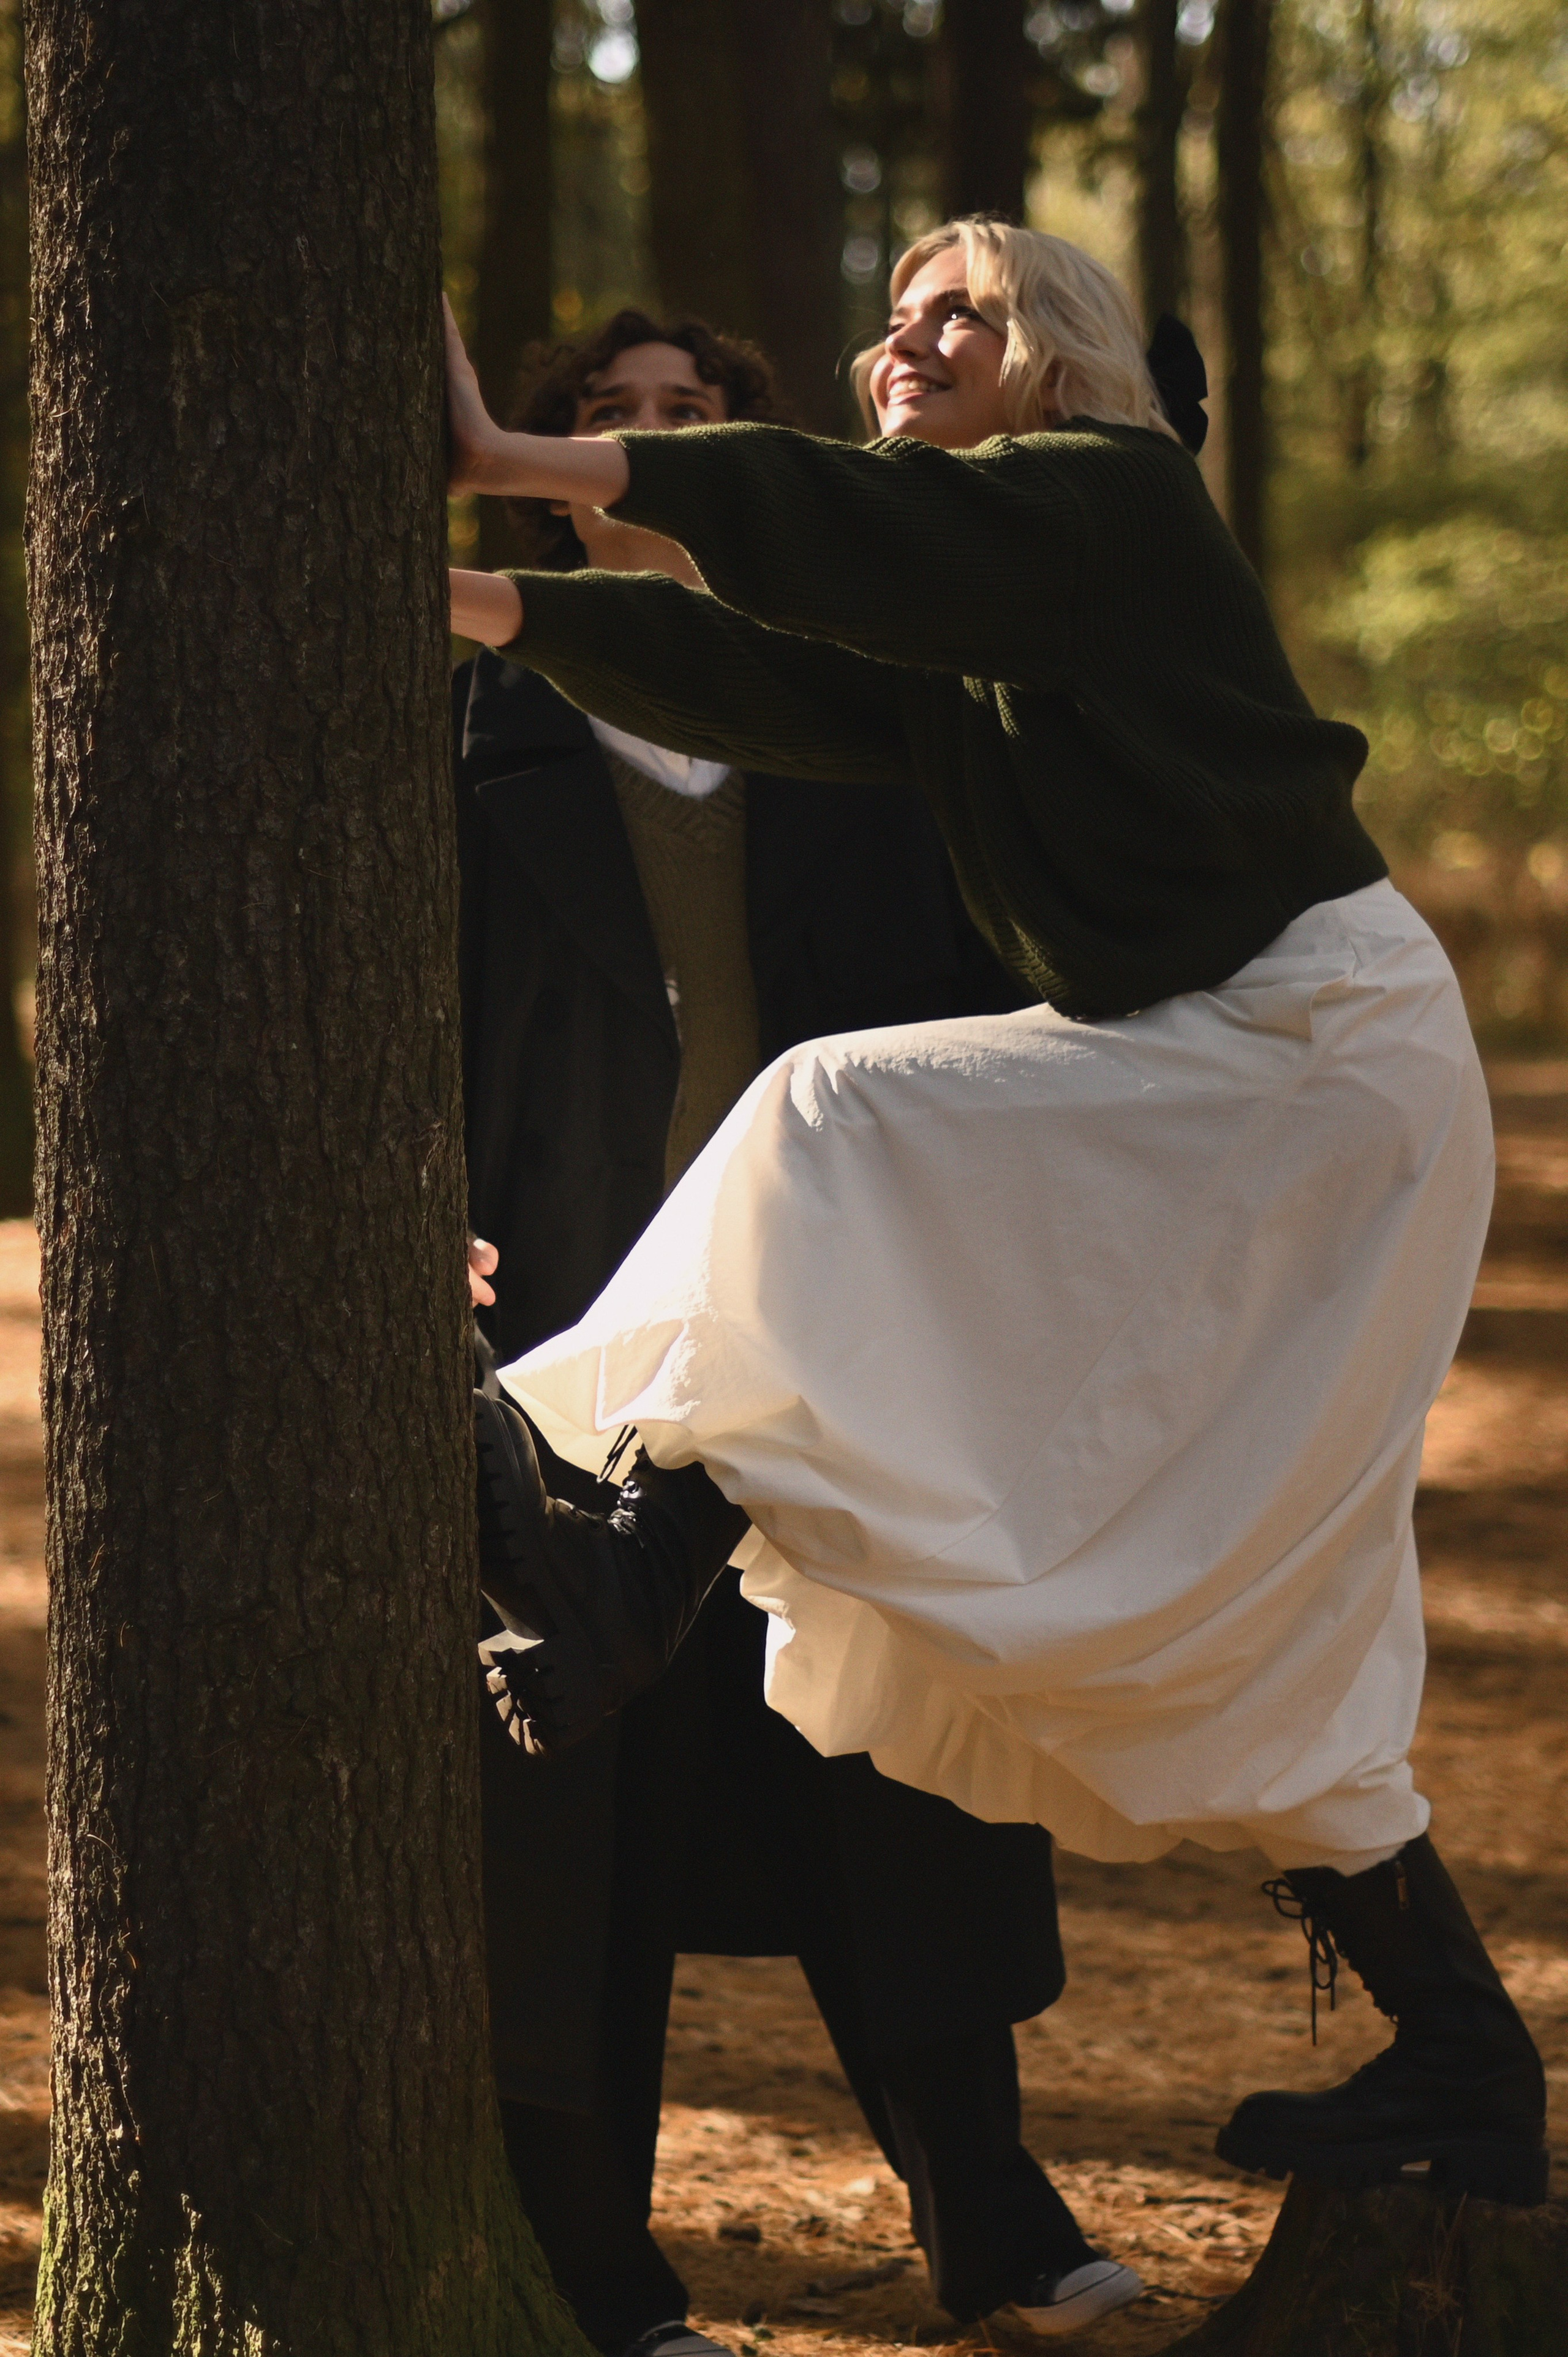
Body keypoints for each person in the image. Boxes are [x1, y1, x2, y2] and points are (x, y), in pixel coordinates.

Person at [445, 217, 1549, 2216]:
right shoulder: (963, 645)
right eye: (892, 318)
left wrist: (540, 466)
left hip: (1312, 1053)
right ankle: (1467, 2054)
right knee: (1273, 1583)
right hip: (1250, 1073)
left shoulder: (1110, 506)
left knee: (835, 1116)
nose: (913, 341)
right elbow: (749, 661)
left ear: (1064, 359)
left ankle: (627, 1562)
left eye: (966, 313)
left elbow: (827, 527)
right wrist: (476, 598)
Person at [457, 310, 1143, 2351]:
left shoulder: (857, 713)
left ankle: (1005, 2238)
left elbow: (992, 998)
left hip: (844, 1340)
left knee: (901, 1787)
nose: (646, 445)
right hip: (580, 1352)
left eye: (689, 420)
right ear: (544, 468)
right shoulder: (460, 722)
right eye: (609, 416)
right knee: (587, 1803)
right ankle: (599, 2271)